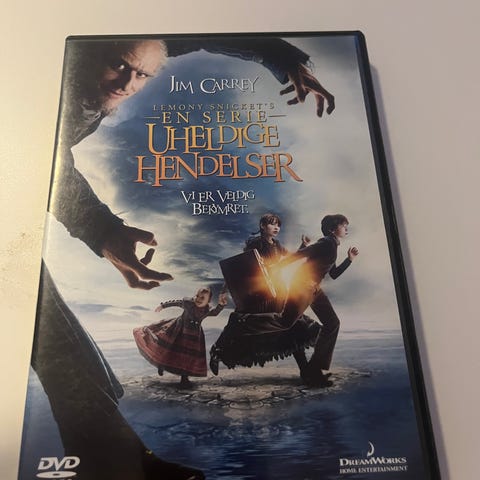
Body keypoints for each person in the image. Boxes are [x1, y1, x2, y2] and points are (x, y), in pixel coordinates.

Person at [29, 37, 336, 480]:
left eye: (142, 74)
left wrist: (284, 58)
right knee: (54, 338)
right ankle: (110, 462)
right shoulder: (49, 78)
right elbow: (37, 155)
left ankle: (110, 459)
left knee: (60, 343)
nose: (126, 83)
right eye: (117, 65)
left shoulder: (115, 65)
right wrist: (101, 229)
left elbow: (212, 31)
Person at [210, 213, 319, 374]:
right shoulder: (256, 243)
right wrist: (224, 290)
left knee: (291, 325)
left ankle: (305, 370)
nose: (276, 227)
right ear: (262, 225)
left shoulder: (277, 244)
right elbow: (240, 267)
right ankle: (217, 351)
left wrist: (303, 245)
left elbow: (291, 258)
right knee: (239, 322)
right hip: (259, 293)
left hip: (278, 290)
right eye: (272, 224)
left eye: (278, 225)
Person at [276, 214, 359, 386]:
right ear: (332, 229)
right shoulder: (326, 243)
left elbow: (333, 274)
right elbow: (301, 254)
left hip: (314, 289)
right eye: (343, 225)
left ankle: (313, 369)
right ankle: (310, 372)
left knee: (332, 323)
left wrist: (349, 260)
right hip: (302, 286)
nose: (346, 228)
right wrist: (278, 266)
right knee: (286, 324)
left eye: (346, 225)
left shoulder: (333, 245)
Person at [134, 288, 227, 389]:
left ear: (208, 301)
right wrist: (163, 306)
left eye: (202, 298)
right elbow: (176, 303)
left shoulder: (206, 310)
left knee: (187, 356)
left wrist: (221, 305)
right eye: (197, 296)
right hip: (177, 330)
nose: (198, 299)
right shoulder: (188, 303)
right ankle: (161, 365)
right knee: (167, 347)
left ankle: (184, 378)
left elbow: (215, 312)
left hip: (193, 336)